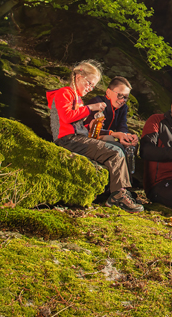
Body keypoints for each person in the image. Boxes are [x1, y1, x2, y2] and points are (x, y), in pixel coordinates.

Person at [46, 60, 143, 213]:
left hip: (77, 138)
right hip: (67, 140)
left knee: (116, 149)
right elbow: (66, 117)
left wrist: (91, 127)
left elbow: (78, 124)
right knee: (115, 152)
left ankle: (122, 191)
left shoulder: (76, 98)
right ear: (78, 76)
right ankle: (117, 196)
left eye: (93, 86)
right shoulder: (64, 93)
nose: (90, 88)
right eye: (89, 83)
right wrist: (90, 108)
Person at [84, 76, 139, 175]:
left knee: (130, 145)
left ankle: (128, 180)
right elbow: (92, 129)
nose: (122, 100)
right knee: (111, 141)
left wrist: (126, 136)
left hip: (109, 136)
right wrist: (114, 134)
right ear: (108, 92)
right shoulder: (97, 102)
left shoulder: (123, 108)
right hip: (90, 138)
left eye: (126, 97)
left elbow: (122, 125)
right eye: (120, 95)